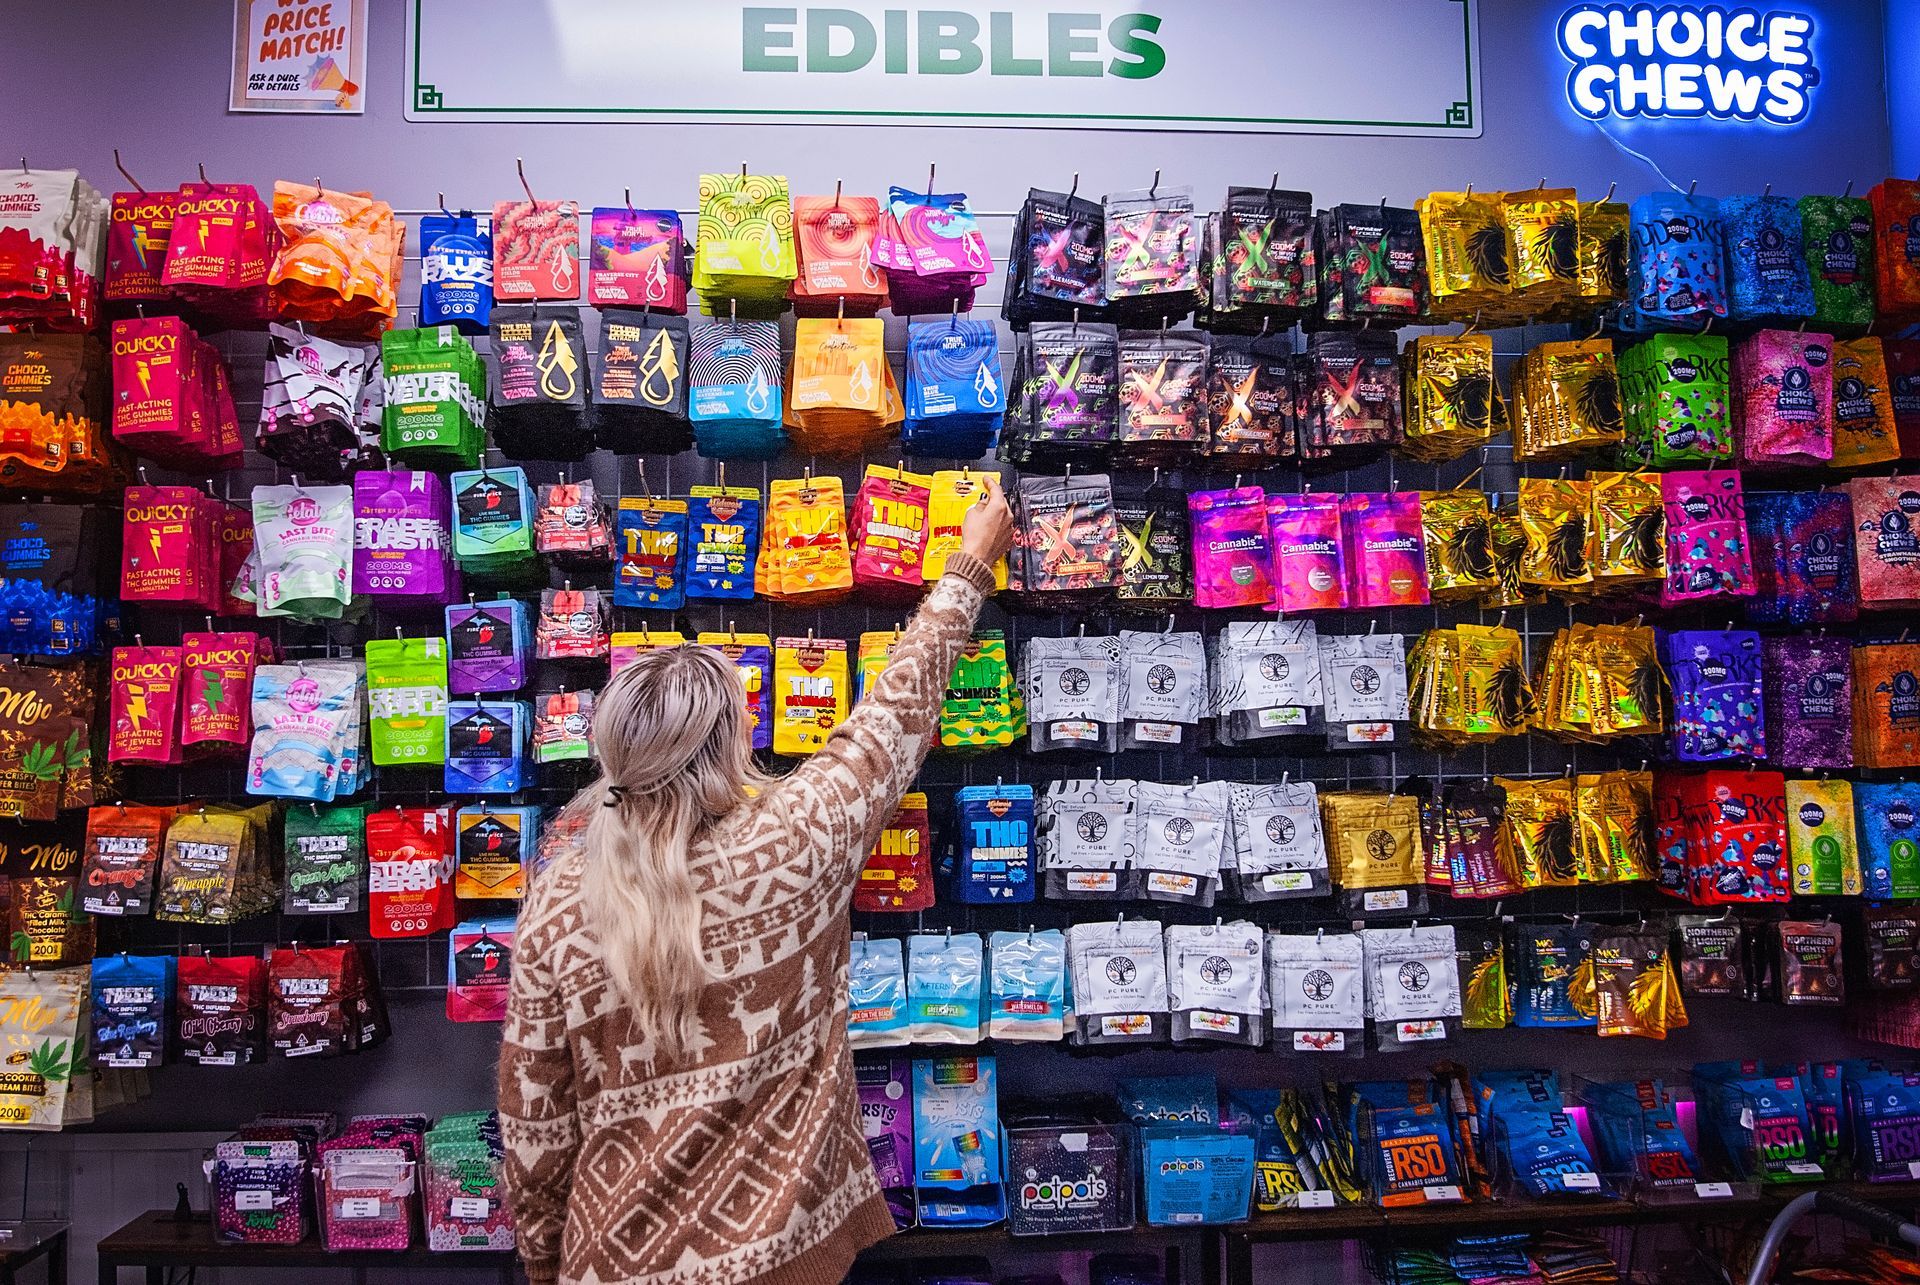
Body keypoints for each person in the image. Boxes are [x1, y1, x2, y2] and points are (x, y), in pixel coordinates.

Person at [499, 478, 1016, 1285]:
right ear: (730, 747)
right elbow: (894, 714)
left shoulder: (558, 904)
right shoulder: (792, 845)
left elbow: (535, 1138)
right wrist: (968, 564)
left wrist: (545, 1267)